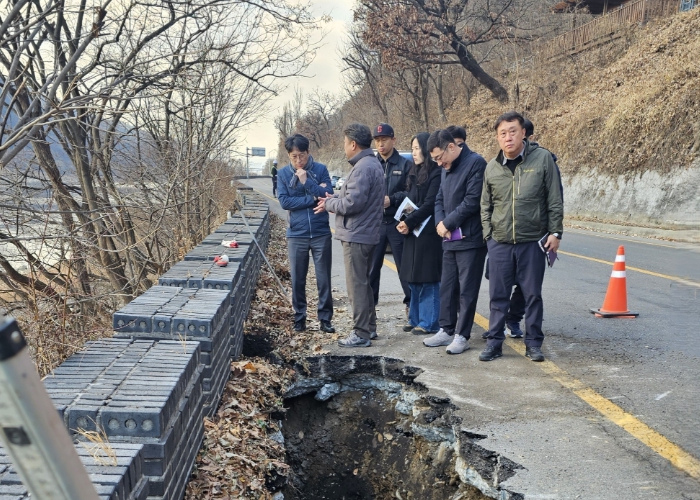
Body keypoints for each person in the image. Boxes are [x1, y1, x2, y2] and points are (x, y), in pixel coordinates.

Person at [479, 111, 564, 362]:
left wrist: (555, 232)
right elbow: (485, 206)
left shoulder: (543, 159)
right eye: (503, 133)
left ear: (523, 133)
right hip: (500, 243)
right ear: (497, 137)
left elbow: (554, 199)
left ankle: (533, 344)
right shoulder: (492, 167)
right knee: (498, 296)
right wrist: (489, 237)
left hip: (532, 242)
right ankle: (494, 343)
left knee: (532, 295)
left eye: (513, 131)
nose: (508, 138)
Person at [314, 124, 384, 347]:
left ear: (353, 144)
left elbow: (352, 203)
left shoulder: (362, 168)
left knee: (356, 286)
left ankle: (361, 333)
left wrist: (330, 204)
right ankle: (369, 327)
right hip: (366, 232)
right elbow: (355, 196)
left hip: (357, 234)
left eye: (345, 143)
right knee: (363, 283)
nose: (344, 148)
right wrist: (334, 198)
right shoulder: (372, 163)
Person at [422, 129, 487, 355]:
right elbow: (439, 199)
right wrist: (440, 224)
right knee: (447, 287)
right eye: (435, 160)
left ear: (451, 147)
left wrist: (447, 223)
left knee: (467, 290)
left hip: (470, 239)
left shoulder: (476, 163)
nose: (439, 163)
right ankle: (446, 329)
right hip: (449, 238)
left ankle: (462, 335)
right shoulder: (445, 168)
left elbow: (472, 201)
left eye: (440, 157)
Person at [276, 134, 335, 334]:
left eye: (302, 155)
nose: (299, 160)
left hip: (320, 232)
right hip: (296, 234)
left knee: (324, 278)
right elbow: (285, 202)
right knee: (298, 279)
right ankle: (299, 318)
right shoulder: (283, 174)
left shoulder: (320, 170)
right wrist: (313, 199)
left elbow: (327, 195)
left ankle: (325, 319)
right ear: (288, 156)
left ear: (308, 152)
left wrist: (308, 182)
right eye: (294, 157)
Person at [393, 133, 443, 335]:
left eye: (416, 148)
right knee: (412, 277)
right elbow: (410, 201)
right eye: (412, 148)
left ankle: (429, 322)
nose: (413, 153)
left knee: (428, 278)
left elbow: (430, 204)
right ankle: (414, 318)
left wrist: (409, 221)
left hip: (429, 233)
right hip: (413, 232)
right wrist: (404, 221)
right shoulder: (414, 171)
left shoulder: (436, 173)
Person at [368, 123, 413, 313]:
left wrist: (392, 199)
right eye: (377, 140)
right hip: (376, 223)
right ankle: (370, 307)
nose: (381, 144)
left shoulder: (405, 164)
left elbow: (412, 193)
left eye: (384, 140)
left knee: (404, 267)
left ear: (393, 140)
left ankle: (411, 305)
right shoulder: (371, 164)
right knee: (372, 269)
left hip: (397, 222)